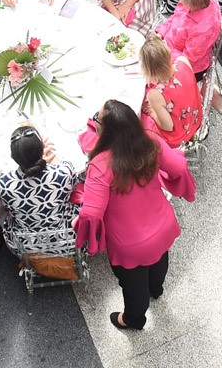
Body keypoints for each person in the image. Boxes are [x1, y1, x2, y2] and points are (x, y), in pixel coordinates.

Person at [76, 99, 197, 331]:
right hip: (163, 226)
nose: (94, 121)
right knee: (159, 261)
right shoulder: (150, 141)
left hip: (128, 243)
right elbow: (178, 168)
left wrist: (83, 226)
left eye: (96, 118)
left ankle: (133, 319)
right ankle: (156, 290)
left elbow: (92, 213)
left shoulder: (101, 165)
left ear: (106, 131)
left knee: (133, 289)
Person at [0, 124, 80, 256]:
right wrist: (45, 161)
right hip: (67, 240)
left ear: (13, 157)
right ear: (42, 148)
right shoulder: (64, 172)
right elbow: (73, 184)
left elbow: (2, 202)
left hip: (26, 247)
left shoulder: (2, 183)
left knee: (8, 213)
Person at [158, 0, 222, 81]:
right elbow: (175, 17)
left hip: (188, 64)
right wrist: (160, 33)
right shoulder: (200, 1)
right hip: (172, 46)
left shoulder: (201, 30)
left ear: (191, 2)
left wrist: (162, 52)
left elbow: (187, 59)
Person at [140, 36, 203, 148]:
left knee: (139, 122)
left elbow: (167, 127)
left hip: (179, 136)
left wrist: (151, 111)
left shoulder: (155, 95)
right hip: (196, 117)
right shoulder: (183, 61)